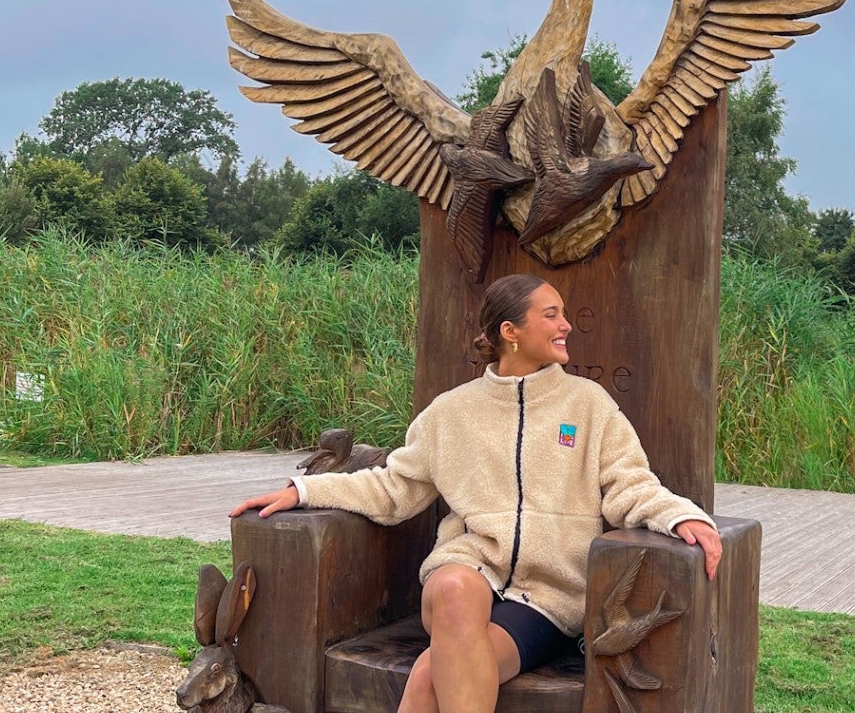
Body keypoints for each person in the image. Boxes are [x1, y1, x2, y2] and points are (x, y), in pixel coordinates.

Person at [231, 273, 722, 713]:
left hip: (548, 597)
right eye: (551, 315)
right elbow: (391, 487)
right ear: (511, 331)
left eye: (564, 315)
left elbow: (630, 485)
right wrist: (304, 490)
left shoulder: (589, 405)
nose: (566, 325)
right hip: (467, 575)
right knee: (453, 585)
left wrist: (680, 517)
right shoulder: (450, 413)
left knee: (430, 672)